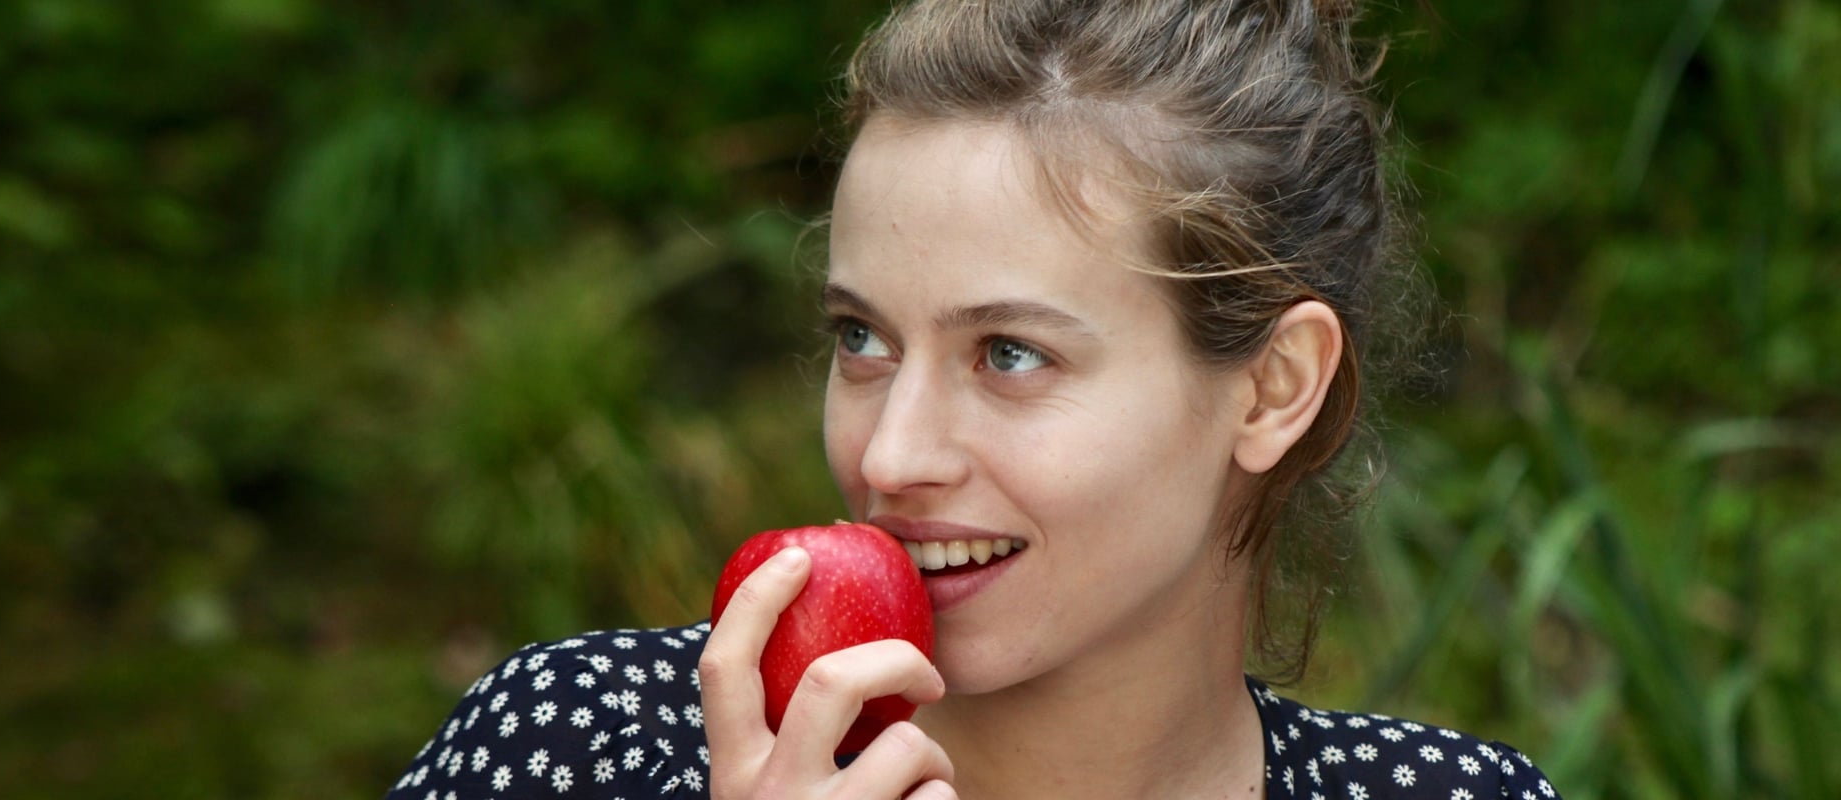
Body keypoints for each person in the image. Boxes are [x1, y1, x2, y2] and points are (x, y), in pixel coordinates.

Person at [385, 1, 1561, 798]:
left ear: (1274, 385)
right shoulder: (574, 744)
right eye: (862, 338)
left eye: (1008, 353)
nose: (891, 455)